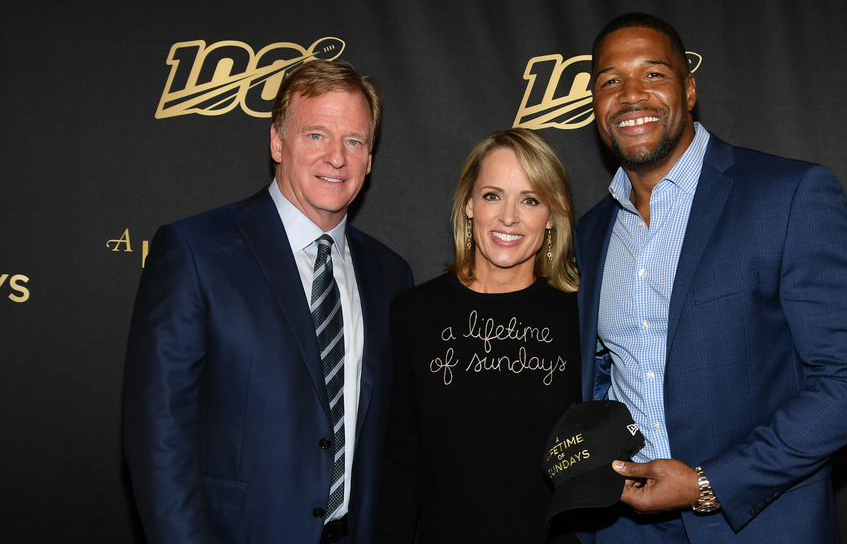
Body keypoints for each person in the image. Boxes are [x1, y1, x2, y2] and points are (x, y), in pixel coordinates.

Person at [573, 12, 847, 542]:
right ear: (595, 105)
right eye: (610, 81)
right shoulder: (592, 230)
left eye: (653, 74)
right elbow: (607, 373)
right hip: (620, 525)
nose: (631, 95)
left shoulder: (789, 195)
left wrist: (709, 483)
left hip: (753, 521)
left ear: (690, 89)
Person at [123, 60, 413, 544]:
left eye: (354, 141)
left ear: (370, 157)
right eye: (316, 135)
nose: (337, 158)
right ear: (278, 142)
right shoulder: (195, 252)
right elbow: (158, 437)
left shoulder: (389, 273)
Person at [377, 128, 581, 543]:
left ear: (552, 216)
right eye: (492, 195)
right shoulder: (414, 314)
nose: (509, 216)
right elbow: (400, 463)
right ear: (469, 205)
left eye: (530, 199)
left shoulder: (578, 315)